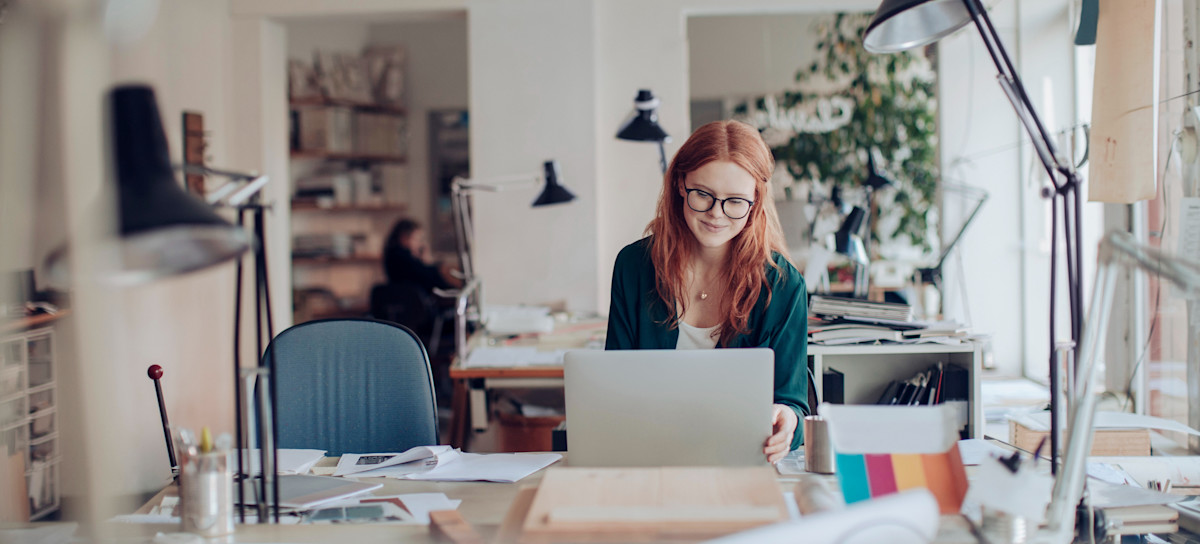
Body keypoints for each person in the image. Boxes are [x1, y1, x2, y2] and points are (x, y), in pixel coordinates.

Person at [605, 120, 808, 463]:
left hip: (740, 461)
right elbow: (612, 388)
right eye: (703, 194)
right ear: (680, 185)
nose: (716, 214)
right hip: (647, 457)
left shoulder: (783, 284)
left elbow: (792, 405)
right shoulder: (633, 266)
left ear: (755, 203)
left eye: (735, 201)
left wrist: (787, 420)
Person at [382, 219, 463, 291]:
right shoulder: (403, 259)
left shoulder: (393, 257)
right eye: (417, 239)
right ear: (404, 238)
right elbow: (431, 279)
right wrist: (428, 262)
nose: (420, 244)